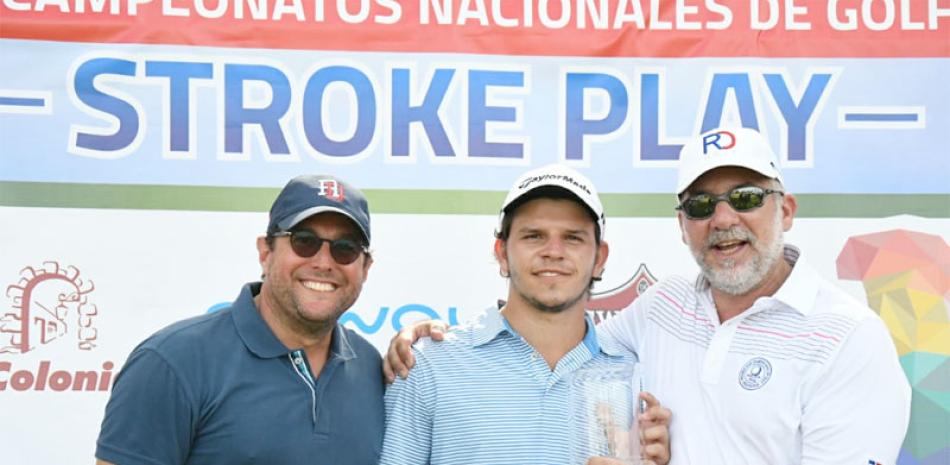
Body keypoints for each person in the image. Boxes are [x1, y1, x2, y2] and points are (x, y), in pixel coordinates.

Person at [385, 127, 912, 465]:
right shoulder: (662, 310)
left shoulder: (848, 338)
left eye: (747, 197)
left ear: (787, 210)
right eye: (702, 205)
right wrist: (425, 341)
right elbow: (561, 338)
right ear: (683, 225)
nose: (724, 219)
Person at [379, 164, 671, 465]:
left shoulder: (635, 378)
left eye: (572, 238)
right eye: (534, 236)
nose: (553, 251)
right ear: (502, 253)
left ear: (599, 258)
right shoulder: (429, 364)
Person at [96, 175, 383, 465]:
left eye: (345, 248)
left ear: (366, 267)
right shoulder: (173, 362)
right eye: (304, 242)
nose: (323, 262)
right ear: (265, 252)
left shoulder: (375, 370)